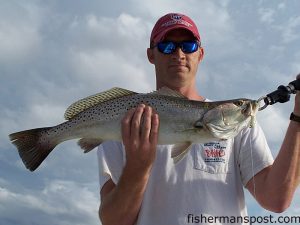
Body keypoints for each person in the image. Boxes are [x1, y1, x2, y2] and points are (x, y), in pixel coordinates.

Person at [97, 13, 300, 225]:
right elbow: (113, 221)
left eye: (189, 45)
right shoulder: (124, 122)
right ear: (151, 55)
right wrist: (137, 168)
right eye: (167, 46)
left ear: (200, 53)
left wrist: (299, 117)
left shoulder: (239, 124)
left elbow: (276, 199)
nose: (179, 53)